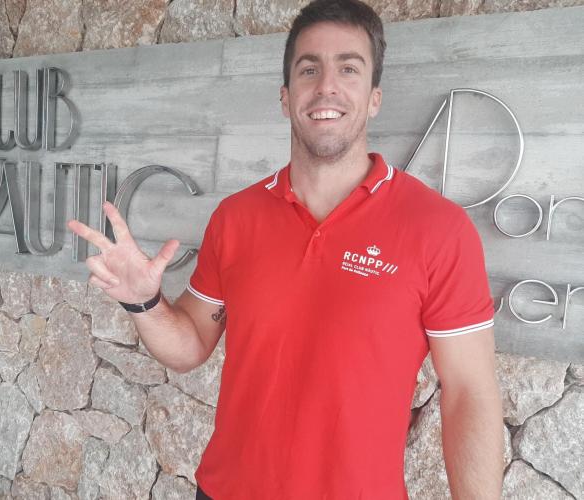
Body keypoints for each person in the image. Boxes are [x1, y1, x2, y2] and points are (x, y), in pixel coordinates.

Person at [67, 0, 504, 498]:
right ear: (285, 96)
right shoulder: (236, 218)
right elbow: (189, 346)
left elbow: (470, 393)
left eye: (348, 69)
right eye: (309, 69)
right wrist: (143, 302)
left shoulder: (438, 229)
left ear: (374, 98)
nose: (327, 86)